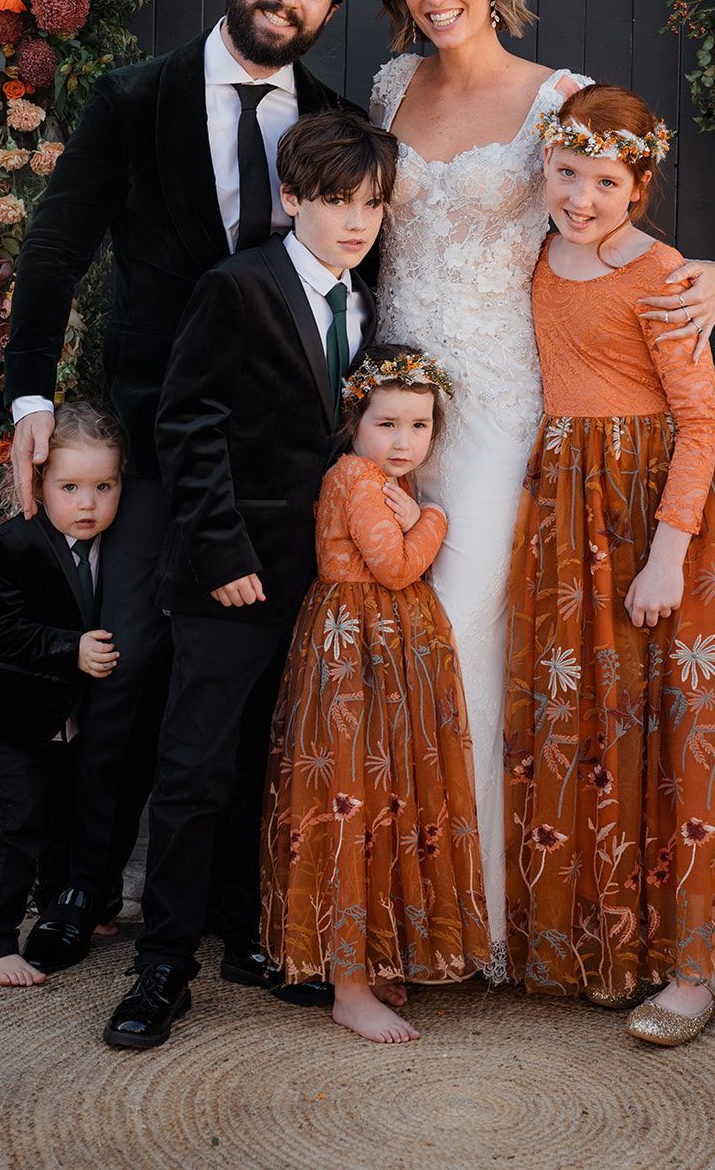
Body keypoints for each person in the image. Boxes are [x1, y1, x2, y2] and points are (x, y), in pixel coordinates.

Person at [369, 0, 715, 976]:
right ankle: (398, 900)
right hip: (393, 399)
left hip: (498, 403)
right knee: (387, 630)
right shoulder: (391, 85)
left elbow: (610, 211)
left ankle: (477, 921)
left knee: (464, 634)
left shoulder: (557, 97)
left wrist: (705, 271)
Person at [8, 0, 371, 973]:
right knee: (127, 667)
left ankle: (227, 907)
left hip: (279, 470)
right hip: (156, 437)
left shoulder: (335, 125)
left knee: (252, 690)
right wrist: (31, 401)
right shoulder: (134, 97)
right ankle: (84, 886)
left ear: (328, 10)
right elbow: (56, 248)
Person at [504, 84, 715, 1046]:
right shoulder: (541, 255)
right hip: (571, 512)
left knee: (680, 724)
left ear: (639, 187)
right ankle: (607, 938)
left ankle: (696, 968)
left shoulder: (662, 273)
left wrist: (668, 552)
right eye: (566, 173)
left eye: (603, 182)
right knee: (594, 720)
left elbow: (702, 422)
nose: (579, 197)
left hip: (661, 513)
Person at [103, 110, 396, 1050]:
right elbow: (185, 428)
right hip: (229, 575)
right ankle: (162, 968)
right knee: (195, 766)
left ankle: (247, 941)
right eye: (338, 203)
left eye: (373, 207)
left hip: (323, 577)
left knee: (269, 764)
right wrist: (222, 555)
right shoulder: (237, 287)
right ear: (291, 198)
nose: (355, 223)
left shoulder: (372, 299)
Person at [262, 345, 490, 1044]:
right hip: (354, 647)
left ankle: (365, 963)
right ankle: (348, 987)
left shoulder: (378, 478)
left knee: (384, 796)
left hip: (383, 646)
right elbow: (393, 569)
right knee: (351, 798)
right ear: (354, 422)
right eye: (386, 423)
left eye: (418, 427)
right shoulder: (356, 476)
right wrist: (435, 522)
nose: (402, 441)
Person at [0, 402, 125, 987]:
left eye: (103, 486)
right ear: (38, 483)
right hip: (15, 716)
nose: (87, 503)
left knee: (67, 818)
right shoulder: (14, 545)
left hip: (73, 718)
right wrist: (70, 647)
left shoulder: (119, 544)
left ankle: (68, 908)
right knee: (16, 823)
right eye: (71, 487)